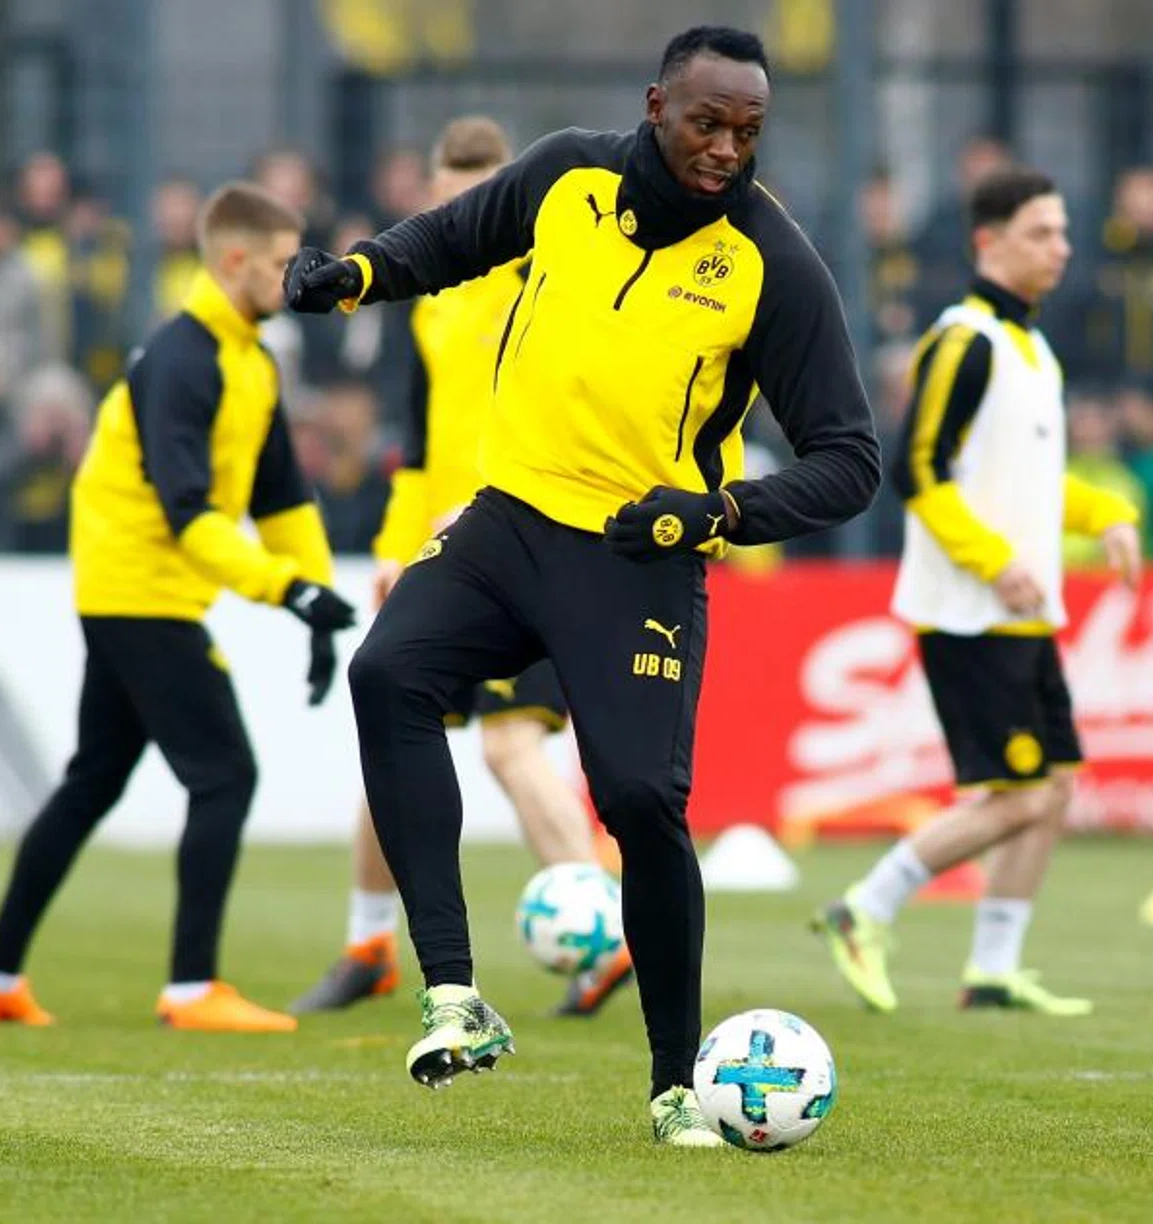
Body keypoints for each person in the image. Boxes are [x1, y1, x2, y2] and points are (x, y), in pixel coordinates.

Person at [283, 25, 879, 1144]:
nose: (726, 148)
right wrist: (355, 275)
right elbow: (454, 238)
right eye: (708, 122)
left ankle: (673, 1085)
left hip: (636, 555)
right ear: (657, 106)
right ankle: (454, 992)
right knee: (389, 673)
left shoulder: (773, 262)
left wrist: (716, 513)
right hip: (507, 520)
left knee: (643, 804)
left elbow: (851, 460)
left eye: (748, 130)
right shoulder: (567, 176)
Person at [0, 183, 356, 1031]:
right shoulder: (183, 359)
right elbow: (188, 514)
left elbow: (284, 500)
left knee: (91, 783)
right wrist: (287, 590)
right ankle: (191, 988)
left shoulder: (251, 361)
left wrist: (317, 600)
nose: (293, 279)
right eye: (281, 263)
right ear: (235, 260)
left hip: (139, 593)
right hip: (140, 593)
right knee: (225, 774)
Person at [288, 116, 632, 1022]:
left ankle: (608, 936)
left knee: (511, 743)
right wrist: (396, 546)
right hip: (439, 556)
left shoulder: (551, 281)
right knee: (395, 735)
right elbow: (416, 447)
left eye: (481, 202)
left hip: (529, 540)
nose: (466, 222)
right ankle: (369, 945)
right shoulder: (432, 303)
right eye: (451, 204)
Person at [812, 169, 1142, 1018]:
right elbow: (917, 468)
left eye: (1062, 231)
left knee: (1054, 785)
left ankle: (994, 969)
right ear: (987, 241)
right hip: (969, 610)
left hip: (1020, 612)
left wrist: (1105, 512)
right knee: (1020, 794)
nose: (1061, 247)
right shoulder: (964, 341)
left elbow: (1029, 482)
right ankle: (865, 907)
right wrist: (994, 562)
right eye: (1041, 232)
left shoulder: (1033, 349)